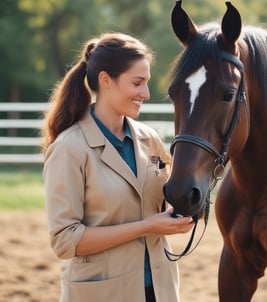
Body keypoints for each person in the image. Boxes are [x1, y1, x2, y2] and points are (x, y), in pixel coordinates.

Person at [42, 32, 193, 302]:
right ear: (105, 80)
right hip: (102, 293)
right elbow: (65, 241)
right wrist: (148, 226)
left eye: (146, 83)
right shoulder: (69, 148)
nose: (145, 94)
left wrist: (191, 203)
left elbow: (167, 202)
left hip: (161, 290)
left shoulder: (150, 139)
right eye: (137, 83)